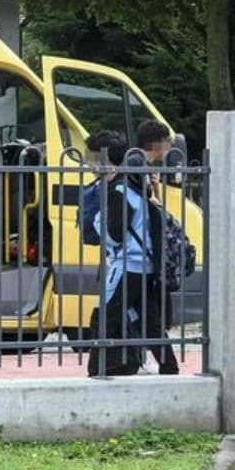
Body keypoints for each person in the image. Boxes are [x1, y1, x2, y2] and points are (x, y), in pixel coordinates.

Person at [87, 140, 179, 378]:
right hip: (146, 266)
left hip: (127, 265)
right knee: (150, 321)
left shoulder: (121, 191)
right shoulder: (142, 194)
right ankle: (170, 367)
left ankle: (96, 369)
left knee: (106, 316)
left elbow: (115, 235)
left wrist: (98, 221)